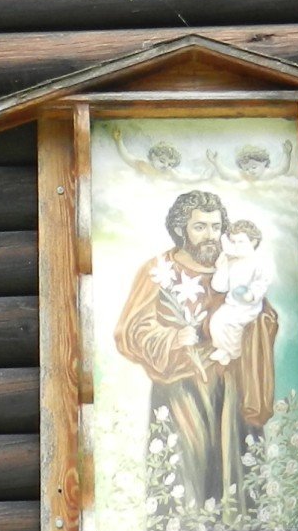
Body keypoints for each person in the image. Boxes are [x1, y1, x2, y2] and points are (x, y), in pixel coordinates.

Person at [112, 190, 278, 513]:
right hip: (182, 392)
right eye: (200, 227)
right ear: (181, 229)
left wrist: (253, 321)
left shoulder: (234, 266)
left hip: (231, 389)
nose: (210, 236)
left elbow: (265, 316)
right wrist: (175, 338)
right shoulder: (159, 270)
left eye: (216, 227)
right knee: (187, 474)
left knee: (233, 475)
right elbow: (130, 331)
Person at [206, 219, 272, 367]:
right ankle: (223, 349)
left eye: (241, 242)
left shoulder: (259, 263)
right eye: (233, 242)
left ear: (253, 242)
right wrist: (221, 268)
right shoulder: (232, 263)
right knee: (216, 320)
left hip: (248, 307)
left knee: (232, 323)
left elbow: (261, 283)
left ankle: (233, 352)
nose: (236, 246)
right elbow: (219, 287)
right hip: (231, 305)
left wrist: (251, 295)